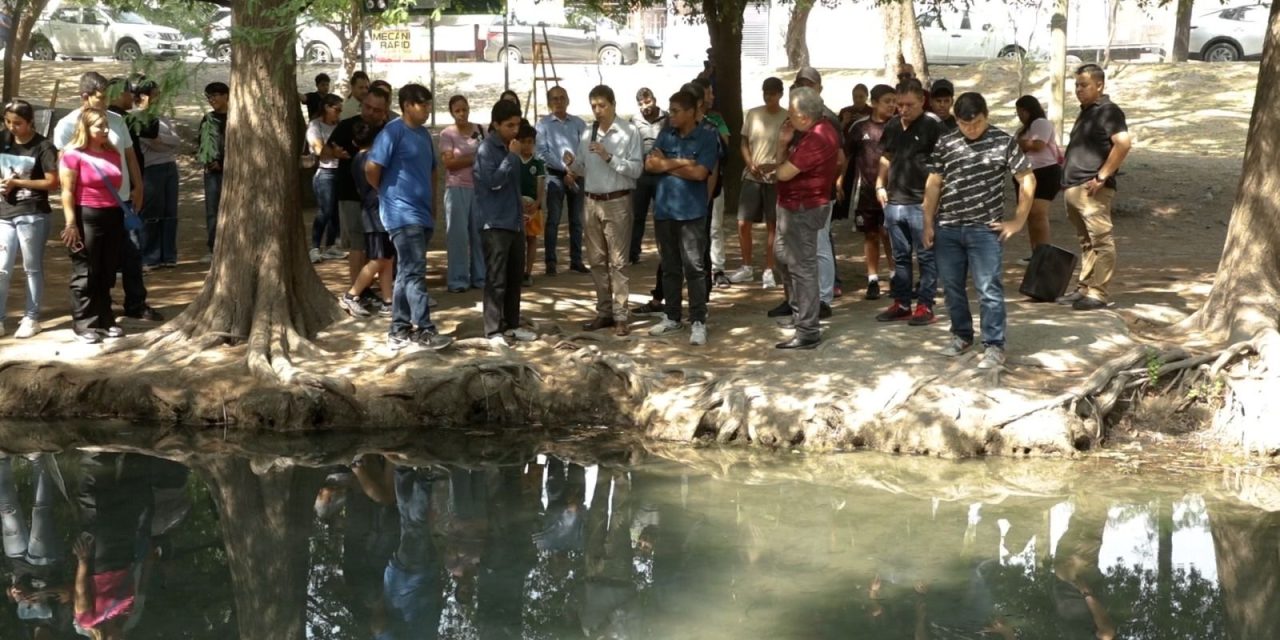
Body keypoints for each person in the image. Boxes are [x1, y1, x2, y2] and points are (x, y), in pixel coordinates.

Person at [922, 92, 1036, 370]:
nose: (970, 129)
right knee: (951, 287)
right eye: (964, 124)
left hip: (984, 230)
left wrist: (1018, 221)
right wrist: (927, 222)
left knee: (988, 288)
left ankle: (994, 344)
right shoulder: (947, 142)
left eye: (976, 123)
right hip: (948, 228)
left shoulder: (1004, 142)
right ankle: (961, 335)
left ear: (986, 115)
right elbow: (934, 183)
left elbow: (1027, 180)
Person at [366, 84, 453, 351]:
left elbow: (432, 171)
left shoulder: (425, 136)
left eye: (428, 104)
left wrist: (433, 206)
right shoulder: (392, 132)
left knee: (405, 273)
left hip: (422, 213)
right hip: (401, 215)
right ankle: (425, 329)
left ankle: (398, 330)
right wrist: (386, 192)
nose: (427, 109)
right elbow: (372, 168)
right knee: (415, 272)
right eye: (422, 104)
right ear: (406, 105)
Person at [565, 84, 643, 336]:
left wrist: (609, 157)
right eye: (594, 106)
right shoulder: (588, 133)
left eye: (602, 105)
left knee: (618, 262)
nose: (597, 111)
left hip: (617, 201)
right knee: (596, 261)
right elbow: (582, 167)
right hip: (591, 201)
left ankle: (621, 315)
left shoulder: (629, 131)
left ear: (613, 104)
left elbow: (636, 169)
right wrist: (572, 166)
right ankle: (604, 312)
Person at [771, 86, 841, 350]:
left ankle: (808, 329)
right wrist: (782, 144)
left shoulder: (818, 138)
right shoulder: (806, 133)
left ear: (802, 116)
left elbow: (783, 173)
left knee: (802, 267)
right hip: (791, 206)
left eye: (790, 110)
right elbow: (782, 168)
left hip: (804, 208)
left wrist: (781, 151)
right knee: (782, 258)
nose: (786, 115)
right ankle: (799, 315)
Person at [645, 90, 717, 346]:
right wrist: (682, 162)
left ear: (690, 112)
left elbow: (700, 174)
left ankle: (698, 319)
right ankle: (672, 315)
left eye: (676, 111)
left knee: (695, 268)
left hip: (692, 213)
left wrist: (668, 163)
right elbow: (650, 164)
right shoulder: (666, 133)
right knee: (670, 267)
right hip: (665, 211)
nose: (671, 115)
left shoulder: (707, 136)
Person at [1059, 64, 1132, 311]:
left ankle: (1099, 293)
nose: (1078, 90)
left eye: (1084, 85)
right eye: (1076, 85)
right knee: (1086, 242)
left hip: (1092, 188)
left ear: (1099, 85)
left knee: (1101, 240)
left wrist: (1101, 176)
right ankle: (1084, 288)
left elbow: (1122, 144)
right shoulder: (1086, 112)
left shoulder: (1108, 111)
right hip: (1073, 187)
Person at [875, 80, 942, 326]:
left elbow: (942, 165)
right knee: (900, 256)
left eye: (908, 105)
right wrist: (879, 184)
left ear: (922, 101)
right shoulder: (893, 125)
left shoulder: (932, 126)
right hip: (894, 201)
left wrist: (932, 202)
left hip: (920, 203)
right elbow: (886, 156)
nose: (903, 109)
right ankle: (902, 303)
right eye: (899, 104)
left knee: (926, 256)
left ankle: (925, 305)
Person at [59, 108, 128, 344]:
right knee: (85, 270)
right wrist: (71, 224)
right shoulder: (72, 154)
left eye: (105, 125)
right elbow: (66, 191)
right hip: (85, 214)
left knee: (107, 269)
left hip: (112, 214)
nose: (104, 130)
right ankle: (83, 322)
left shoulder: (112, 152)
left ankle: (105, 318)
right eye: (98, 126)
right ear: (85, 128)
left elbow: (117, 184)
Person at [474, 99, 538, 343]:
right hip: (494, 224)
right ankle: (493, 330)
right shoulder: (487, 150)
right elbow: (492, 182)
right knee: (496, 279)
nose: (515, 130)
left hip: (514, 222)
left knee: (514, 277)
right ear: (496, 124)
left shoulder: (512, 146)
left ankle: (511, 324)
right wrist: (511, 157)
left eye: (517, 125)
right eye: (509, 125)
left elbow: (511, 186)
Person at [102, 78, 161, 324]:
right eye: (129, 93)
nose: (132, 97)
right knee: (109, 252)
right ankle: (102, 302)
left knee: (132, 251)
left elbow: (152, 130)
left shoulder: (126, 118)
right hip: (106, 197)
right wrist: (146, 106)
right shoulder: (112, 119)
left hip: (127, 195)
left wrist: (138, 186)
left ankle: (135, 303)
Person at [0, 100, 58, 339]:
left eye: (18, 123)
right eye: (8, 122)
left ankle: (31, 317)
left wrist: (18, 182)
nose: (12, 127)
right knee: (1, 269)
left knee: (31, 268)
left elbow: (52, 182)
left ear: (30, 122)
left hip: (32, 212)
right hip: (4, 214)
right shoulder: (2, 139)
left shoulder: (43, 146)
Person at [328, 86, 392, 294]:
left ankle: (371, 289)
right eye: (367, 107)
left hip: (381, 197)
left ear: (385, 110)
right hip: (351, 194)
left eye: (376, 110)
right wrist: (333, 152)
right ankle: (357, 292)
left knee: (379, 245)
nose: (370, 112)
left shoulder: (390, 130)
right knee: (358, 243)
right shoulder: (347, 126)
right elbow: (324, 151)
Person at [729, 77, 787, 287]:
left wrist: (776, 166)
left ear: (780, 94)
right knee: (743, 221)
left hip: (774, 177)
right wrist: (749, 161)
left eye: (772, 92)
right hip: (752, 175)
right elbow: (743, 141)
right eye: (765, 92)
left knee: (773, 223)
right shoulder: (753, 114)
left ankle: (769, 269)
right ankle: (746, 266)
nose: (768, 96)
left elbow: (791, 148)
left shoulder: (787, 117)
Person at [841, 84, 897, 301]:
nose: (892, 105)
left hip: (893, 192)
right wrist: (839, 181)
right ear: (873, 103)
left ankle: (896, 276)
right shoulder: (859, 127)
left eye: (894, 101)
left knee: (890, 233)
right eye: (887, 101)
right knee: (871, 233)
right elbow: (846, 156)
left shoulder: (899, 126)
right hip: (865, 191)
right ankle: (872, 279)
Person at [338, 122, 394, 319]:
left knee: (386, 259)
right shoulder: (371, 160)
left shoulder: (356, 159)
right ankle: (351, 295)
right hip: (375, 214)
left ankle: (388, 301)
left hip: (375, 213)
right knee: (379, 259)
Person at [536, 86, 589, 275]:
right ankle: (551, 261)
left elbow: (586, 149)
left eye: (562, 98)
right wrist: (564, 167)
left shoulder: (579, 124)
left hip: (577, 175)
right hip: (555, 176)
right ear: (549, 102)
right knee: (554, 219)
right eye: (554, 99)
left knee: (576, 220)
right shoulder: (542, 125)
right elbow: (541, 153)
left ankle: (576, 260)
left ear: (568, 100)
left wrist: (574, 169)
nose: (559, 102)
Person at [132, 79, 181, 270]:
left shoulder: (162, 117)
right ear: (143, 96)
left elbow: (176, 140)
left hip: (169, 166)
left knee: (170, 212)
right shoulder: (137, 118)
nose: (158, 97)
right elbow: (152, 142)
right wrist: (164, 142)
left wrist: (164, 140)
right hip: (151, 168)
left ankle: (168, 254)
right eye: (155, 93)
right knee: (152, 212)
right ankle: (150, 256)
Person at [439, 95, 487, 293]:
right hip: (457, 187)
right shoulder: (447, 134)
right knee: (458, 236)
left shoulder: (480, 129)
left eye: (464, 109)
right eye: (457, 110)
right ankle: (458, 280)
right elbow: (449, 163)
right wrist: (475, 157)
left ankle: (481, 276)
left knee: (479, 234)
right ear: (452, 112)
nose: (462, 114)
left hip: (478, 188)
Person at [1013, 95, 1062, 256]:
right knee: (1031, 215)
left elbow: (1038, 145)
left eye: (1021, 111)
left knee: (1038, 214)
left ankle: (1044, 252)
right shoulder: (1025, 128)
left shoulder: (1040, 123)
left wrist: (1016, 143)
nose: (1020, 115)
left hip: (1045, 171)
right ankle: (1036, 251)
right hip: (1027, 172)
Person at [628, 87, 667, 264]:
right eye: (641, 104)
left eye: (648, 101)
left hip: (661, 172)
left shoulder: (666, 118)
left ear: (655, 99)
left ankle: (665, 250)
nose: (645, 106)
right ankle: (633, 252)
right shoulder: (634, 121)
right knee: (638, 214)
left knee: (662, 214)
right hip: (641, 173)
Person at [308, 94, 347, 264]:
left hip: (341, 171)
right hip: (325, 172)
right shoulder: (315, 125)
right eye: (336, 109)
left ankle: (331, 245)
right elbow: (319, 149)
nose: (338, 113)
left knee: (335, 210)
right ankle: (315, 247)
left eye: (340, 110)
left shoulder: (340, 125)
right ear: (326, 107)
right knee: (325, 210)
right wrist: (335, 153)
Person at [197, 82, 228, 264]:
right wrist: (210, 161)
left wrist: (224, 162)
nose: (212, 100)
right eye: (209, 97)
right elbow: (202, 145)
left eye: (215, 95)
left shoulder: (236, 118)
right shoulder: (208, 119)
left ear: (226, 96)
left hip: (233, 170)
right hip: (213, 173)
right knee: (213, 210)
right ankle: (214, 248)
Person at [516, 122, 545, 287]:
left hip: (533, 208)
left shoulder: (537, 164)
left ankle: (528, 272)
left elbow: (541, 184)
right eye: (523, 141)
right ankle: (517, 271)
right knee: (518, 240)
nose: (527, 145)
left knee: (532, 239)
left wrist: (538, 202)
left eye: (530, 142)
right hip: (517, 207)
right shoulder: (514, 161)